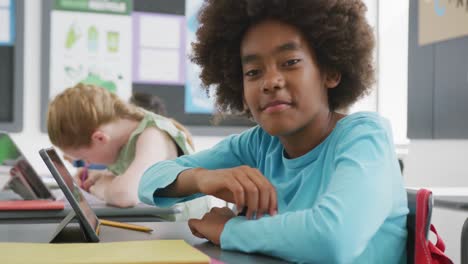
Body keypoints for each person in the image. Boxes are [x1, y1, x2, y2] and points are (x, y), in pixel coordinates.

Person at [138, 0, 408, 263]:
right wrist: (202, 179)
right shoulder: (259, 145)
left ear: (331, 70)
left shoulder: (365, 136)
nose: (270, 82)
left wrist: (228, 230)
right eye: (253, 72)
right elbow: (150, 180)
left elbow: (332, 238)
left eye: (290, 62)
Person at [47, 83, 209, 219]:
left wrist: (101, 186)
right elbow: (143, 180)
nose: (87, 164)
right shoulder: (127, 139)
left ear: (100, 138)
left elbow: (124, 195)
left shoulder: (153, 136)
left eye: (83, 158)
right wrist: (105, 176)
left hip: (184, 238)